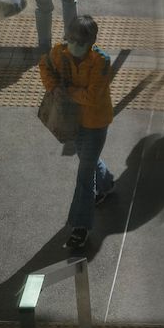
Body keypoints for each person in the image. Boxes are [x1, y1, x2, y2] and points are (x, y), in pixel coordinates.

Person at [39, 15, 115, 249]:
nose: (75, 46)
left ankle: (80, 227)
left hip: (94, 123)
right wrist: (53, 87)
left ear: (92, 41)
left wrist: (65, 91)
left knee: (84, 175)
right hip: (72, 122)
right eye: (71, 40)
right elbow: (44, 65)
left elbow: (92, 97)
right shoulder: (59, 53)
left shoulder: (101, 61)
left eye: (81, 42)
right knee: (88, 161)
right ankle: (107, 183)